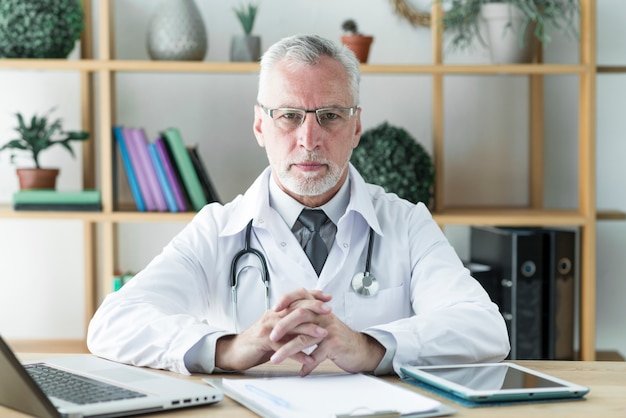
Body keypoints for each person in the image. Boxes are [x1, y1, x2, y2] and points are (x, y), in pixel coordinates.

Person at [87, 34, 510, 377]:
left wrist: (370, 347)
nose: (309, 139)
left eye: (329, 115)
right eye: (289, 115)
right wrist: (230, 348)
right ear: (260, 125)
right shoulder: (217, 228)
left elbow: (485, 328)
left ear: (357, 126)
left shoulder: (406, 223)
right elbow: (112, 323)